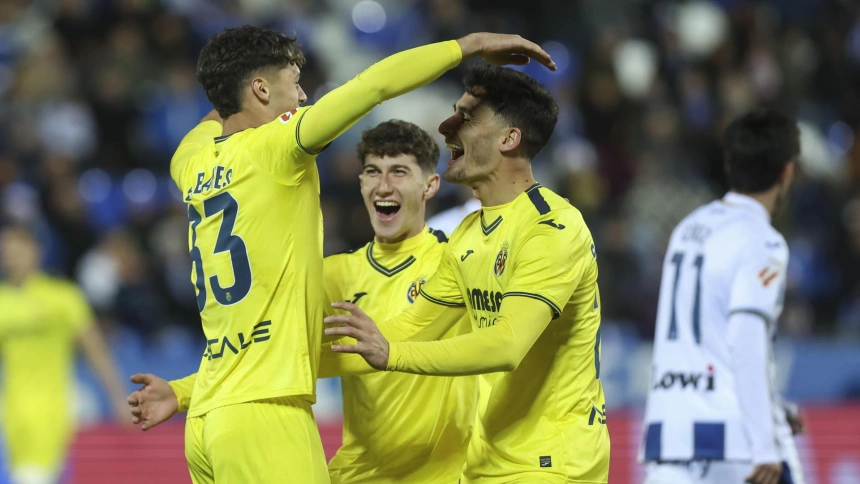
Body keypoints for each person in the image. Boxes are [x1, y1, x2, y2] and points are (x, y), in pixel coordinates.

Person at [126, 25, 555, 484]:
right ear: (261, 89)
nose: (305, 97)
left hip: (209, 419)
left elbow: (220, 110)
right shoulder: (278, 146)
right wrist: (465, 47)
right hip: (266, 414)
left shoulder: (188, 161)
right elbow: (373, 86)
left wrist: (182, 393)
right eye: (294, 83)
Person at [127, 120, 479, 483]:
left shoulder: (458, 264)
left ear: (430, 185)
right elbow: (266, 355)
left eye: (399, 172)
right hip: (356, 475)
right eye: (373, 172)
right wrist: (180, 392)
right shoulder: (330, 276)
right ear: (360, 183)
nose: (383, 186)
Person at [321, 64, 610, 483]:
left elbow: (506, 345)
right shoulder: (469, 234)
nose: (447, 125)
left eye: (467, 118)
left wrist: (391, 355)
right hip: (487, 463)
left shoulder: (552, 228)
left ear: (510, 139)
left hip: (552, 463)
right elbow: (409, 329)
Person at [639, 109, 805, 484]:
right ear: (787, 172)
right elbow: (744, 341)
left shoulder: (689, 228)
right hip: (731, 444)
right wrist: (765, 441)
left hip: (670, 436)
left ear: (730, 165)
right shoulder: (763, 242)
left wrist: (774, 406)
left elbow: (704, 339)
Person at [0, 225, 128, 484]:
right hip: (10, 412)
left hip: (54, 409)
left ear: (36, 251)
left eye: (18, 249)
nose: (12, 256)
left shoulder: (63, 297)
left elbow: (96, 351)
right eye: (7, 250)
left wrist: (118, 396)